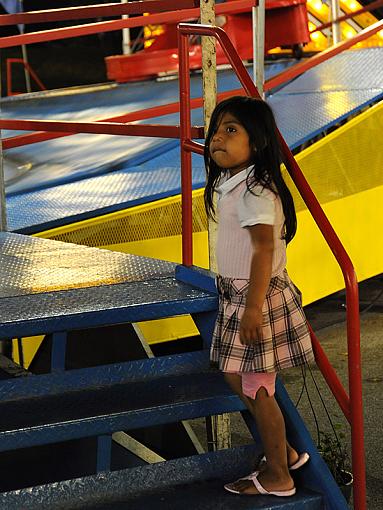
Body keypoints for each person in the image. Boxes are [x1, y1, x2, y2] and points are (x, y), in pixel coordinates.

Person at [204, 96, 315, 497]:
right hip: (240, 295)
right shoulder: (235, 184)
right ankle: (283, 451)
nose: (218, 137)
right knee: (238, 377)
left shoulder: (254, 190)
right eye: (216, 129)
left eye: (231, 130)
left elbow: (263, 249)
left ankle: (279, 477)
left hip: (256, 298)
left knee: (256, 387)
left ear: (258, 142)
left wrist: (252, 309)